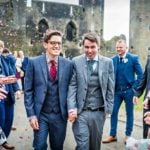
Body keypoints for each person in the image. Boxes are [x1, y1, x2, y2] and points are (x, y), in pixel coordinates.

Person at [24, 30, 73, 150]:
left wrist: (72, 108)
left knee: (57, 147)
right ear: (45, 44)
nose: (56, 46)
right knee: (39, 146)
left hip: (60, 115)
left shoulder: (68, 64)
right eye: (53, 43)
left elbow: (72, 88)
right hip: (41, 114)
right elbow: (28, 90)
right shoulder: (33, 62)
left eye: (59, 43)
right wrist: (31, 115)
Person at [67, 32, 114, 150]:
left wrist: (109, 108)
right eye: (86, 47)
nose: (89, 50)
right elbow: (72, 86)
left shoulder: (108, 62)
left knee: (95, 146)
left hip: (99, 112)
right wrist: (72, 108)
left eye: (92, 47)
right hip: (81, 112)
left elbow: (110, 87)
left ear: (98, 46)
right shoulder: (76, 61)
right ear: (83, 46)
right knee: (83, 145)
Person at [102, 39, 143, 143]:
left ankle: (128, 135)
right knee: (113, 112)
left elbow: (141, 75)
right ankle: (112, 135)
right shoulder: (113, 60)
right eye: (117, 47)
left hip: (129, 91)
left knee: (129, 113)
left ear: (126, 48)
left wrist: (134, 89)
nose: (118, 49)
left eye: (120, 47)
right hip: (116, 92)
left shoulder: (133, 58)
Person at [0, 40, 21, 150]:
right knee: (1, 119)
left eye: (1, 47)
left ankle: (4, 140)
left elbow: (13, 74)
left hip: (7, 92)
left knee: (9, 119)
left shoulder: (5, 59)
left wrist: (17, 89)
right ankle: (2, 141)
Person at [133, 56, 150, 138]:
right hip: (147, 102)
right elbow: (145, 78)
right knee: (146, 128)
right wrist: (137, 93)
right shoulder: (149, 58)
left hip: (148, 99)